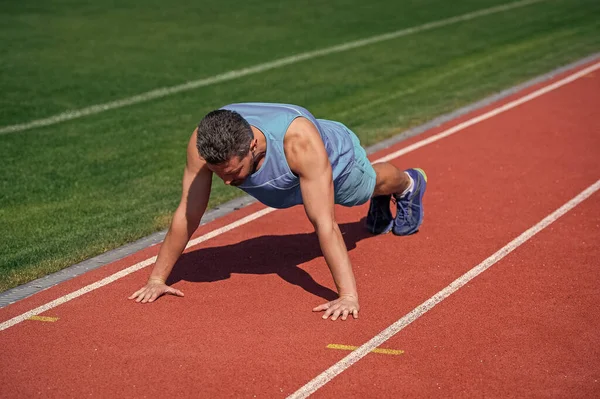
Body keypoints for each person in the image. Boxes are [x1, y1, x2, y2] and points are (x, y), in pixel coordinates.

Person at [129, 103, 427, 321]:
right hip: (284, 180)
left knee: (363, 190)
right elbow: (187, 213)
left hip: (334, 162)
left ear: (253, 146)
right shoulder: (203, 143)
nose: (229, 182)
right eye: (219, 174)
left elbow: (324, 224)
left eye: (234, 172)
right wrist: (157, 279)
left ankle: (407, 185)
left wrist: (347, 296)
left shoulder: (300, 144)